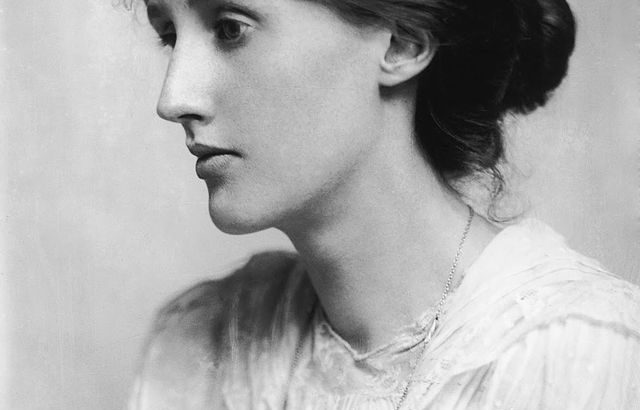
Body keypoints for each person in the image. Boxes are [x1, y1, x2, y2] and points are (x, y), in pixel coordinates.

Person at [127, 0, 640, 408]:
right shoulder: (201, 342)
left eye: (230, 29)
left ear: (402, 43)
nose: (173, 99)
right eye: (169, 35)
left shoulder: (577, 356)